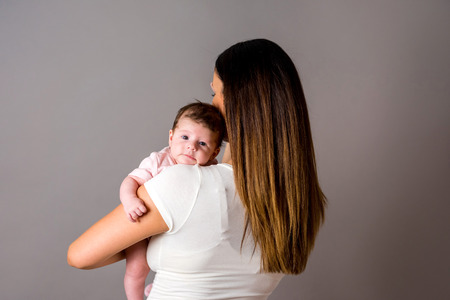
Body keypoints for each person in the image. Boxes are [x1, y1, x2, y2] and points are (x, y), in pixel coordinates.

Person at [68, 39, 326, 299]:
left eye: (216, 92)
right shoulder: (296, 201)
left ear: (238, 103)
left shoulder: (186, 183)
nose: (211, 102)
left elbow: (80, 255)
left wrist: (145, 234)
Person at [120, 101, 226, 299]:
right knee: (137, 269)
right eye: (184, 137)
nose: (191, 147)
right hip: (143, 226)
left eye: (202, 143)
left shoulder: (210, 169)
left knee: (181, 259)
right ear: (171, 137)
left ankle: (162, 286)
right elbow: (131, 180)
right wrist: (130, 201)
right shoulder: (159, 160)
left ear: (214, 153)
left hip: (176, 229)